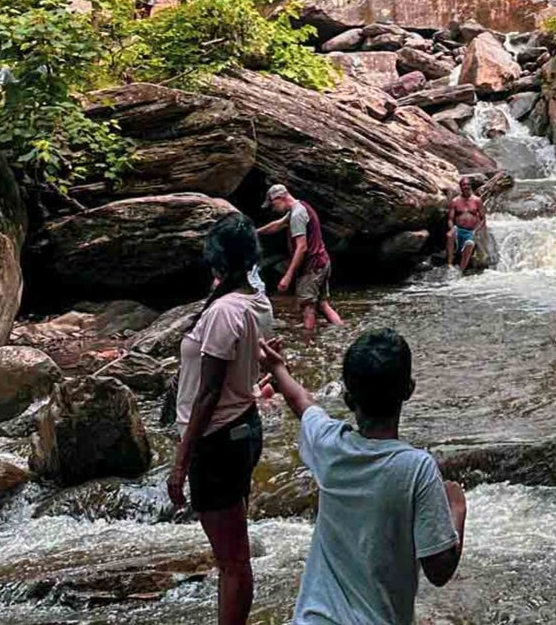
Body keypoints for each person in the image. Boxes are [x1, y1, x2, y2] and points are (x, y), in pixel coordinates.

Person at [260, 329, 466, 625]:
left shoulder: (330, 445)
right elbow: (439, 570)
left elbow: (301, 402)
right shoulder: (417, 469)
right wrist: (456, 510)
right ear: (409, 389)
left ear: (347, 399)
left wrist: (277, 369)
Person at [170, 213, 268, 625]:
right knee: (234, 556)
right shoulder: (255, 300)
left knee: (232, 562)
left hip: (217, 440)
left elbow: (208, 394)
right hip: (241, 429)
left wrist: (180, 461)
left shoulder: (224, 311)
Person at [258, 184, 342, 339]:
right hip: (322, 262)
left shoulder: (297, 215)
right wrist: (255, 232)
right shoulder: (299, 207)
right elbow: (277, 225)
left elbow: (301, 247)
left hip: (312, 267)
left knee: (307, 307)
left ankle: (307, 343)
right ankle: (341, 331)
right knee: (322, 304)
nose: (273, 208)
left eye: (273, 204)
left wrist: (288, 276)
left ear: (280, 198)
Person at [446, 177, 485, 271]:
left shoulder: (477, 200)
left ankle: (461, 270)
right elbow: (450, 219)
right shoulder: (455, 201)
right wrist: (451, 228)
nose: (466, 186)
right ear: (460, 187)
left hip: (471, 231)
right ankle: (449, 264)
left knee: (469, 244)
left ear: (470, 186)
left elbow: (483, 218)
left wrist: (477, 231)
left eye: (468, 184)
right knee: (449, 235)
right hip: (458, 230)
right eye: (464, 185)